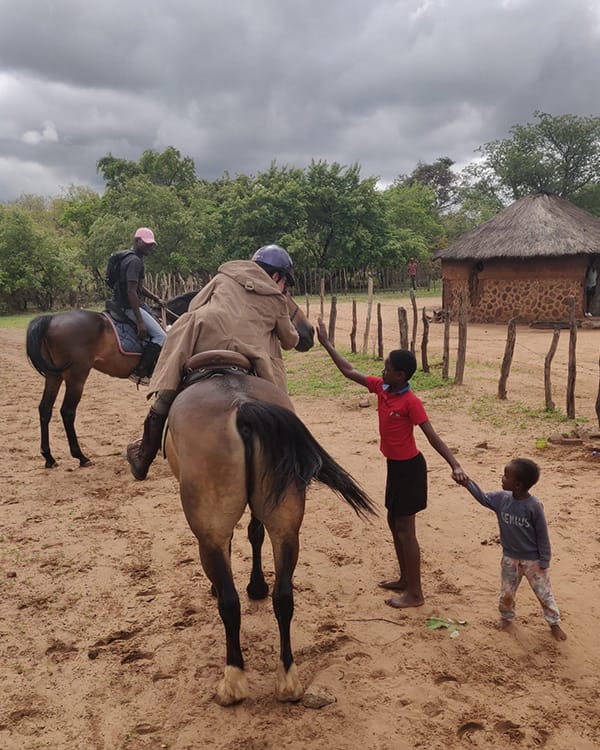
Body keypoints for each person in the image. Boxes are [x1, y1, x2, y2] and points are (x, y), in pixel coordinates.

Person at [316, 321, 466, 608]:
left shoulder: (411, 402)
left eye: (386, 368)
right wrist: (326, 344)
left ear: (400, 375)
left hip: (410, 469)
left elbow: (432, 437)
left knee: (406, 530)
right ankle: (405, 579)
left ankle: (416, 593)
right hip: (395, 468)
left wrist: (455, 465)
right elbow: (349, 371)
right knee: (392, 521)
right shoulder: (383, 388)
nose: (382, 371)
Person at [126, 244, 300, 480]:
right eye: (285, 283)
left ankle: (144, 456)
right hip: (248, 354)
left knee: (167, 391)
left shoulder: (225, 277)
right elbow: (290, 341)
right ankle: (290, 460)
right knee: (278, 404)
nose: (284, 288)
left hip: (204, 342)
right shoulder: (277, 298)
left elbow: (196, 305)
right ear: (277, 276)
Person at [454, 459, 566, 641]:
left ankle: (554, 623)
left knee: (543, 593)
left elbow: (542, 535)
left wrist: (544, 560)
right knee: (506, 592)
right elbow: (483, 497)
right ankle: (506, 617)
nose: (502, 478)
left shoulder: (534, 506)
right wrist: (467, 483)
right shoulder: (501, 499)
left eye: (506, 476)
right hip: (510, 558)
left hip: (533, 561)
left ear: (518, 484)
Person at [113, 227, 166, 350]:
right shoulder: (134, 261)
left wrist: (155, 298)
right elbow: (131, 291)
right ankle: (144, 367)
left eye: (151, 245)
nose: (150, 248)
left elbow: (139, 287)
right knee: (161, 336)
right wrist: (140, 321)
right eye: (147, 244)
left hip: (119, 302)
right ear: (137, 241)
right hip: (129, 307)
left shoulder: (128, 258)